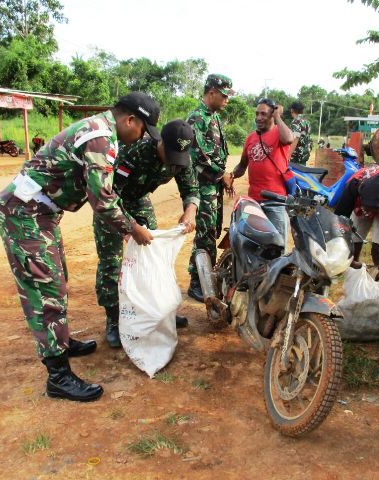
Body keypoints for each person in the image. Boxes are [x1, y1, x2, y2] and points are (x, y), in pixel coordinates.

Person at [0, 92, 160, 402]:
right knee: (46, 289)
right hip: (23, 212)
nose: (141, 138)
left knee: (59, 279)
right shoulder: (101, 138)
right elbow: (102, 199)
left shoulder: (100, 129)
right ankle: (58, 377)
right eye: (142, 131)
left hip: (40, 213)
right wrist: (133, 229)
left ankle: (63, 341)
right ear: (130, 120)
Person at [93, 120, 199, 347]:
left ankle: (156, 313)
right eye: (168, 154)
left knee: (153, 258)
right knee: (111, 263)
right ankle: (113, 320)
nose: (173, 162)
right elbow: (110, 195)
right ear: (160, 142)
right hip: (112, 204)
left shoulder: (181, 156)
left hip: (139, 200)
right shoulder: (134, 153)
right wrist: (128, 228)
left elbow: (191, 189)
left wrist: (190, 212)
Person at [186, 74, 235, 303]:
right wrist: (221, 174)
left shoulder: (213, 117)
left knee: (211, 232)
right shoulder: (198, 117)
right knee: (204, 235)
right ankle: (197, 283)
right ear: (212, 93)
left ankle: (206, 280)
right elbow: (197, 156)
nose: (227, 100)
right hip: (202, 185)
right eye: (224, 95)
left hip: (212, 186)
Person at [231, 98, 296, 246]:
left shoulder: (280, 134)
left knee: (277, 247)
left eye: (264, 114)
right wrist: (232, 175)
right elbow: (242, 166)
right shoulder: (250, 138)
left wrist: (278, 115)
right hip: (254, 201)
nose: (259, 118)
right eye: (257, 114)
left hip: (276, 202)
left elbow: (288, 139)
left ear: (272, 115)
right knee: (253, 245)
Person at [334, 164, 379, 280]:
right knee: (353, 240)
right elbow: (340, 220)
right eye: (369, 210)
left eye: (375, 211)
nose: (371, 214)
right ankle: (354, 269)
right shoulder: (353, 185)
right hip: (361, 204)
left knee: (378, 248)